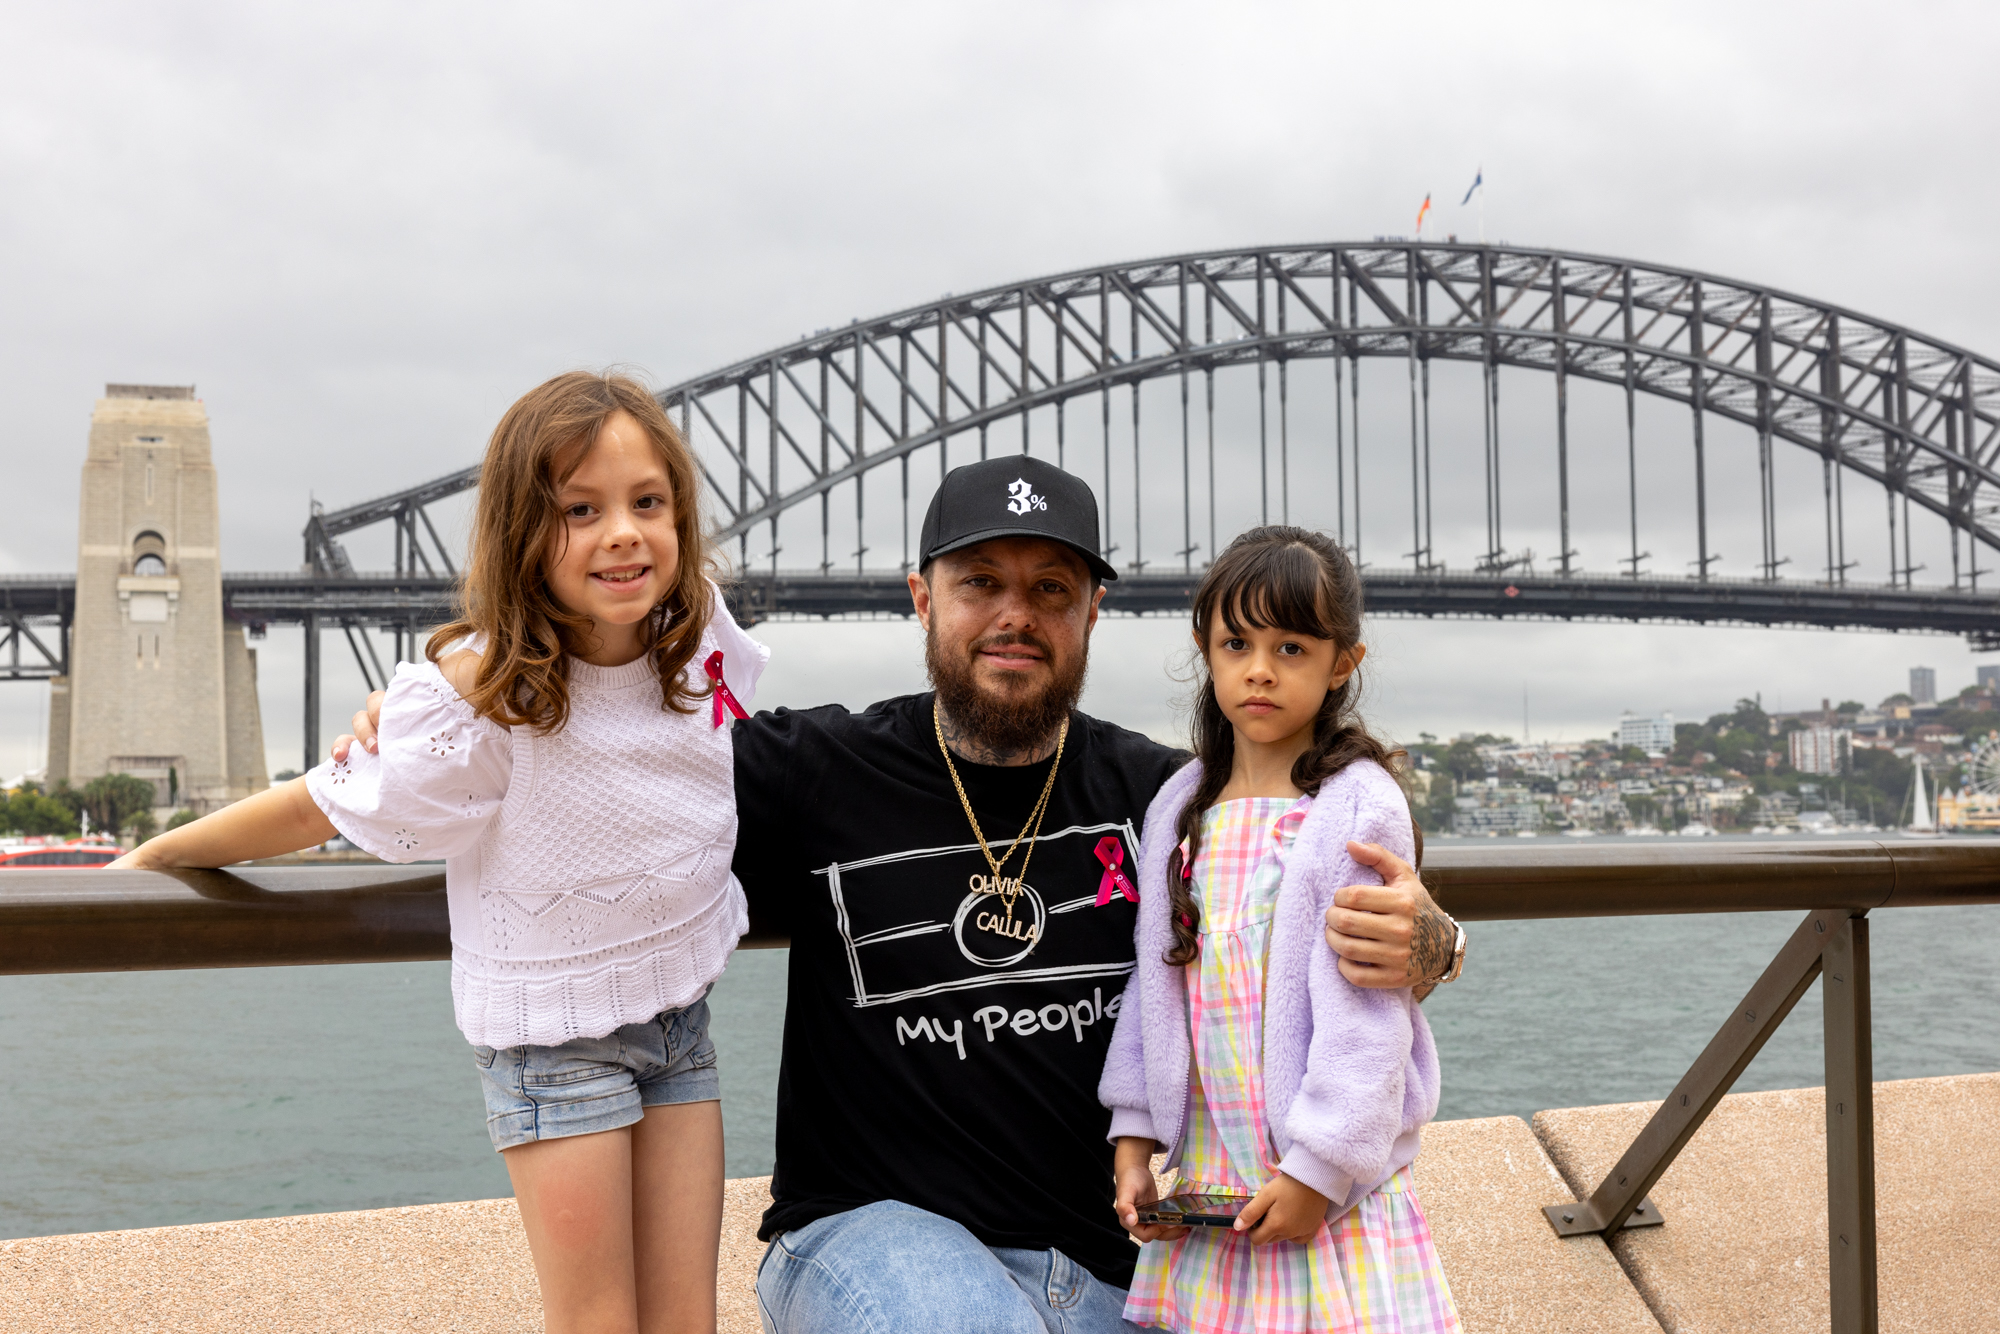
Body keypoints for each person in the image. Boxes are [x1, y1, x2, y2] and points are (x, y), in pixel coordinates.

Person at [336, 455, 1465, 1334]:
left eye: (1049, 588)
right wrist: (438, 701)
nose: (1013, 613)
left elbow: (1311, 919)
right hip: (870, 1236)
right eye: (979, 583)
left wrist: (1431, 940)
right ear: (920, 595)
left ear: (1092, 611)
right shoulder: (808, 767)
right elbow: (599, 754)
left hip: (1116, 1257)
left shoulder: (1166, 800)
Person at [113, 372, 767, 1334]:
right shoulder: (479, 698)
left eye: (648, 502)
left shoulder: (695, 630)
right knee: (598, 1322)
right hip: (553, 1046)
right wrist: (153, 859)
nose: (623, 532)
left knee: (688, 1322)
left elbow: (708, 755)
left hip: (679, 1022)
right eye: (579, 510)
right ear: (519, 533)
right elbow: (315, 809)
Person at [1101, 526, 1458, 1333]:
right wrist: (1132, 1137)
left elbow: (1369, 1017)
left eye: (1292, 646)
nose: (1260, 668)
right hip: (1211, 1191)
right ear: (1206, 650)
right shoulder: (1178, 809)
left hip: (1322, 1198)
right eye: (1237, 642)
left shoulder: (1355, 807)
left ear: (1342, 665)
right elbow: (1153, 985)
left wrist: (1321, 1170)